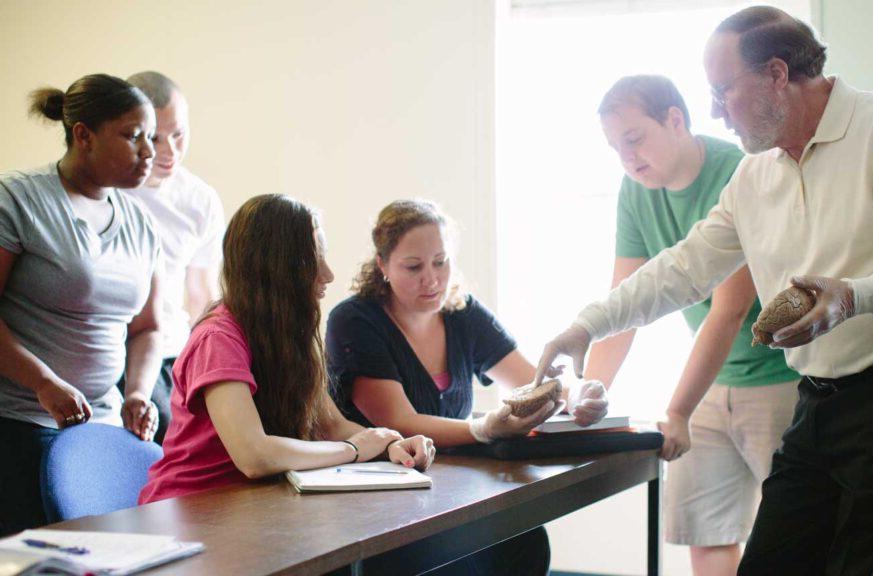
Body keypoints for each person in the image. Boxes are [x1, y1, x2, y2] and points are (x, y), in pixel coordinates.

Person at [535, 6, 873, 575]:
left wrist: (855, 296)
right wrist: (587, 325)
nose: (712, 111)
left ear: (777, 74)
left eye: (722, 90)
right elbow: (683, 268)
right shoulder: (755, 175)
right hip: (821, 400)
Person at [586, 74, 800, 576]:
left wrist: (677, 410)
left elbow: (729, 310)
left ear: (675, 119)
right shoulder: (635, 191)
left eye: (635, 139)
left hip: (779, 380)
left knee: (792, 542)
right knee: (707, 535)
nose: (628, 157)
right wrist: (586, 395)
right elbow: (623, 306)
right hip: (711, 384)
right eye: (615, 147)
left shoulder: (740, 172)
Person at [326, 199, 608, 575]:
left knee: (525, 540)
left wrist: (575, 394)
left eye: (441, 262)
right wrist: (482, 428)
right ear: (383, 266)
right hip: (383, 504)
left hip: (452, 492)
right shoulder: (354, 320)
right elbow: (399, 421)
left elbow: (531, 377)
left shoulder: (462, 311)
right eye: (414, 267)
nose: (432, 279)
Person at [140, 194, 433, 504]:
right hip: (192, 510)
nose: (328, 274)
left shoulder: (287, 333)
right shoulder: (217, 338)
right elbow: (254, 456)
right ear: (277, 268)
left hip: (254, 506)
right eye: (313, 258)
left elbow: (331, 425)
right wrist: (355, 450)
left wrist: (388, 447)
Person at [0, 74, 163, 535]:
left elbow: (148, 327)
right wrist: (44, 383)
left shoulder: (142, 223)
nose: (149, 152)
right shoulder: (18, 199)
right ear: (83, 135)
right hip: (20, 423)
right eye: (133, 137)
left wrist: (137, 392)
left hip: (104, 430)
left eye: (150, 137)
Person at [122, 71, 225, 444]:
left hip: (167, 355)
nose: (169, 152)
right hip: (103, 350)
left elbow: (201, 294)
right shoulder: (107, 187)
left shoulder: (200, 199)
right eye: (154, 137)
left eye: (179, 134)